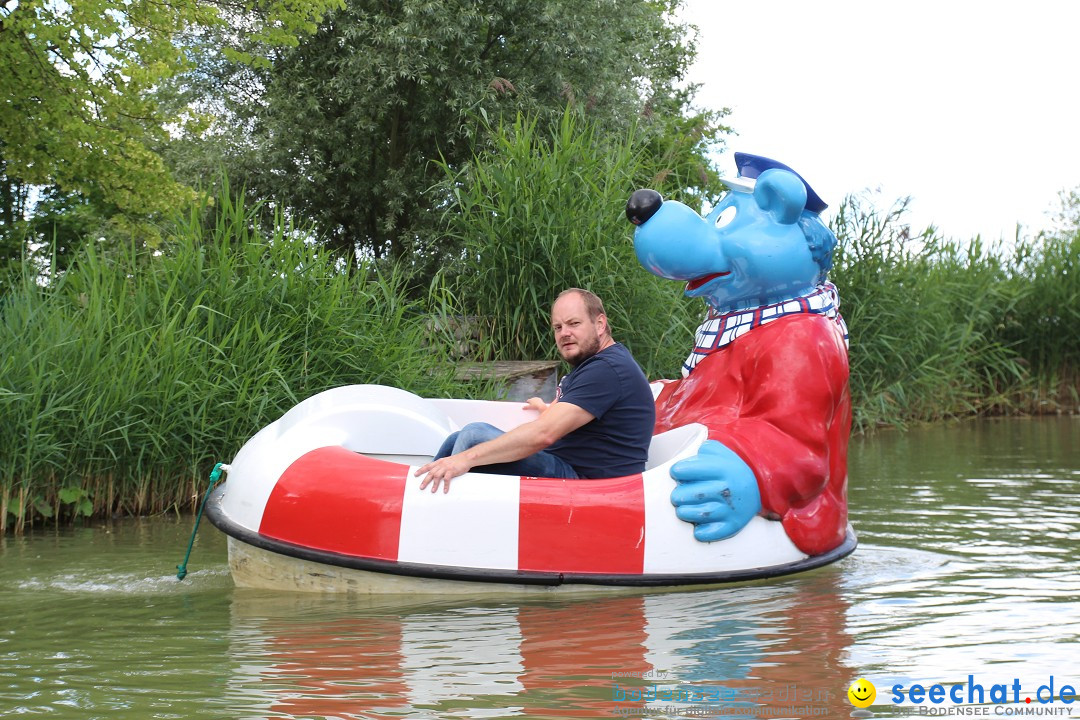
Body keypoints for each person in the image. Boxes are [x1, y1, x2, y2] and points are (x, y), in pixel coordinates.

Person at [415, 288, 656, 493]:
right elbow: (579, 413)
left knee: (473, 437)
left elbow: (545, 434)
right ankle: (420, 496)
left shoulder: (608, 369)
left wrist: (465, 460)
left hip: (592, 488)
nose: (564, 333)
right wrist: (547, 408)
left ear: (600, 324)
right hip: (573, 471)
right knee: (458, 439)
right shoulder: (599, 364)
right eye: (558, 327)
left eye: (574, 324)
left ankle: (444, 519)